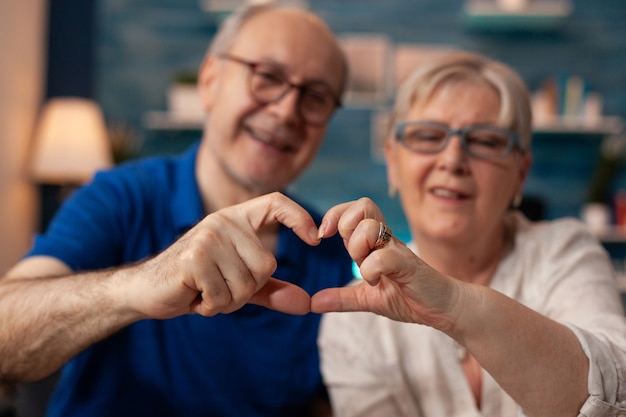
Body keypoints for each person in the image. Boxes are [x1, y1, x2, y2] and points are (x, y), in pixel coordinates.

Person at [0, 4, 354, 417]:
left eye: (314, 96)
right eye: (268, 77)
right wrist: (140, 285)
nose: (286, 111)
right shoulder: (121, 196)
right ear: (209, 81)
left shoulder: (327, 251)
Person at [312, 52, 626, 417]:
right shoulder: (357, 315)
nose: (452, 159)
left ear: (520, 175)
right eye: (428, 136)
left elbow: (618, 391)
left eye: (486, 141)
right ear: (393, 163)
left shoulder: (564, 251)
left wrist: (456, 304)